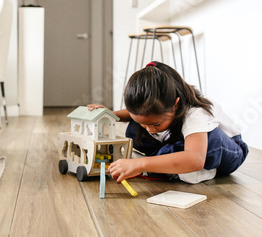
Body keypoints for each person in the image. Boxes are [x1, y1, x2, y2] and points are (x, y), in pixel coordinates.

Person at [87, 61, 248, 184]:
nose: (150, 129)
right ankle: (170, 164)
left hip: (224, 153)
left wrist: (140, 164)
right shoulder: (154, 112)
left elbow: (195, 158)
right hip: (182, 145)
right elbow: (136, 114)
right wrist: (109, 114)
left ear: (175, 105)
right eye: (146, 124)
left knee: (211, 140)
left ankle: (195, 170)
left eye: (155, 124)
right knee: (134, 128)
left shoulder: (195, 113)